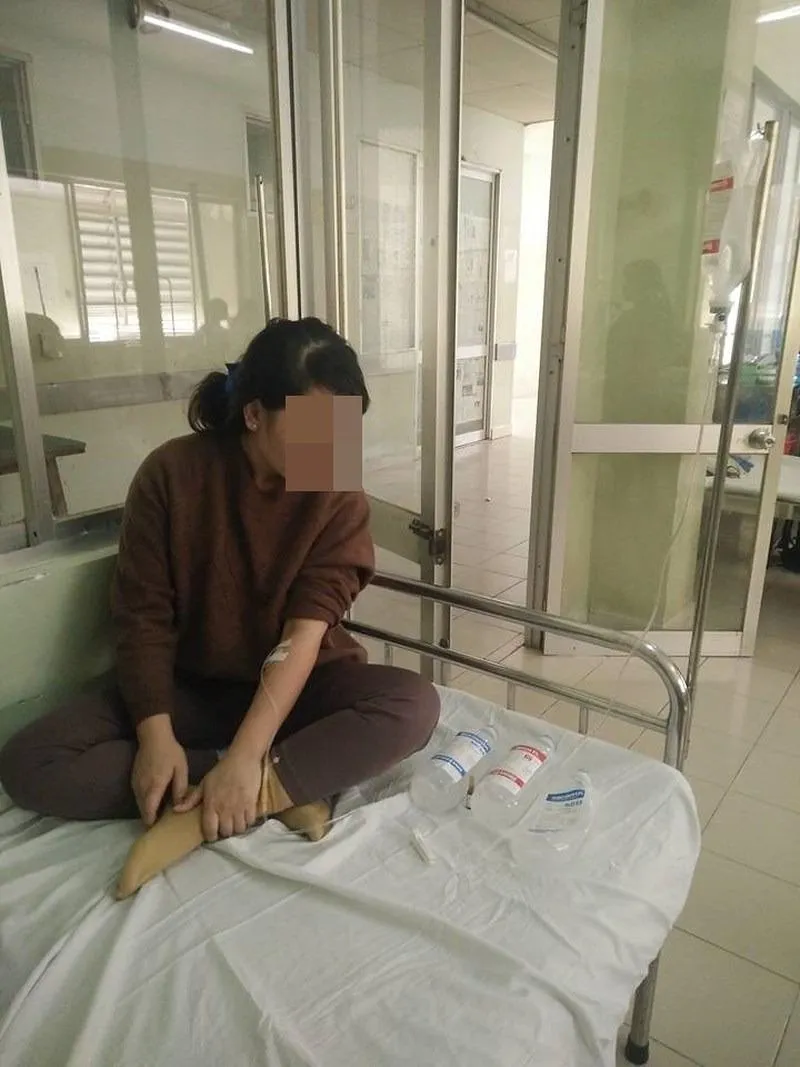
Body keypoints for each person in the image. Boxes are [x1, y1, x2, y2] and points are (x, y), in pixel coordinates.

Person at [0, 317, 440, 896]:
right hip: (195, 692)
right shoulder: (172, 474)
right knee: (31, 761)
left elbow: (304, 635)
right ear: (254, 414)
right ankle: (267, 784)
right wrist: (157, 739)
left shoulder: (336, 492)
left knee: (413, 704)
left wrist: (251, 751)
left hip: (296, 689)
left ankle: (241, 791)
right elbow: (142, 619)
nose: (332, 449)